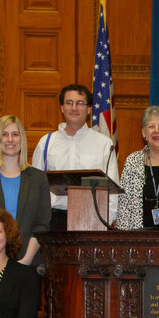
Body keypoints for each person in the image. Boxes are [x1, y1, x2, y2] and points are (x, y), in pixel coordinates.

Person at [31, 83, 119, 228]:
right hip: (53, 220)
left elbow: (113, 191)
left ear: (89, 109)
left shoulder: (103, 144)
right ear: (61, 107)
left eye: (80, 103)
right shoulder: (46, 143)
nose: (74, 108)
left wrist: (103, 224)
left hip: (91, 218)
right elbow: (35, 187)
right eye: (69, 103)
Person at [0, 115, 51, 265]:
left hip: (27, 262)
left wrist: (26, 260)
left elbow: (42, 224)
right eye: (4, 134)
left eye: (15, 134)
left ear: (22, 139)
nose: (10, 139)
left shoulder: (38, 178)